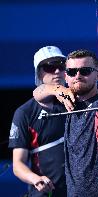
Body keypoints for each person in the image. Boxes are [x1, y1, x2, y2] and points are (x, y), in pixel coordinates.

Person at [33, 49, 98, 196]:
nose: (78, 76)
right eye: (72, 72)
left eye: (85, 71)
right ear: (66, 76)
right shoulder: (67, 100)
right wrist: (57, 90)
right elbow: (38, 93)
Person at [8, 46, 69, 196]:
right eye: (50, 67)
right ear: (38, 73)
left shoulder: (77, 102)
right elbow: (18, 164)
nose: (57, 71)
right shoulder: (24, 113)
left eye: (61, 66)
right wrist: (35, 179)